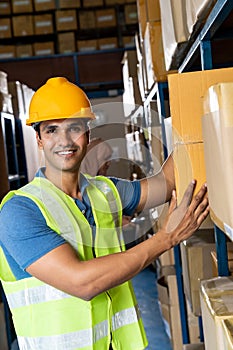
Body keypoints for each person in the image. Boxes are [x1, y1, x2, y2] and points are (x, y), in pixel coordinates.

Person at [0, 77, 209, 350]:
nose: (65, 140)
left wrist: (202, 114)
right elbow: (81, 282)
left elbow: (167, 182)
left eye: (74, 128)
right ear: (38, 139)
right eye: (52, 130)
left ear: (88, 134)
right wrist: (166, 238)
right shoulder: (19, 210)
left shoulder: (104, 192)